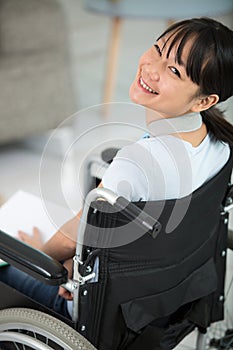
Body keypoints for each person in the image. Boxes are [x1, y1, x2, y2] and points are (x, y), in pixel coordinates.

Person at [1, 17, 233, 319]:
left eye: (173, 70)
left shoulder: (137, 164)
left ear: (204, 100)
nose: (151, 69)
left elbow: (70, 240)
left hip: (90, 308)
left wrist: (35, 255)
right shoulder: (219, 149)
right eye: (158, 49)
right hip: (161, 297)